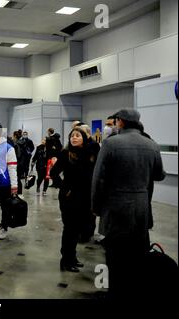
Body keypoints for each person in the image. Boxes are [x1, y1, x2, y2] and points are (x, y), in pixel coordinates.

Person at [91, 109, 165, 299]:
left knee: (115, 254)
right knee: (138, 252)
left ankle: (116, 291)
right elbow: (159, 175)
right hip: (141, 207)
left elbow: (98, 178)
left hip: (115, 207)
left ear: (120, 122)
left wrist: (96, 206)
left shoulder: (110, 144)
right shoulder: (152, 145)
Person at [50, 127, 97, 272]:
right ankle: (66, 260)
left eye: (78, 136)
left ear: (84, 138)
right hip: (68, 198)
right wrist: (64, 187)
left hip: (84, 197)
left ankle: (72, 257)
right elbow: (54, 173)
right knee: (69, 229)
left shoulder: (89, 154)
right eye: (72, 136)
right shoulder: (65, 153)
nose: (74, 138)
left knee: (77, 230)